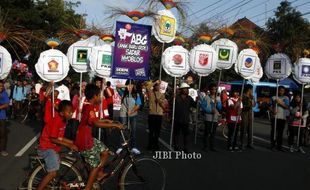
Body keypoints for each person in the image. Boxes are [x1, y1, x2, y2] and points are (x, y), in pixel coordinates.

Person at [74, 84, 123, 190]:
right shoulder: (90, 107)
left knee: (105, 151)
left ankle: (98, 174)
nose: (101, 98)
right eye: (100, 96)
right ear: (95, 96)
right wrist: (114, 125)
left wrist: (107, 121)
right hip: (85, 141)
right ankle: (88, 187)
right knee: (95, 166)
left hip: (88, 138)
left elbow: (94, 121)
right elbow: (96, 124)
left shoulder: (89, 106)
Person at [36, 100, 78, 190]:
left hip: (52, 148)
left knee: (58, 166)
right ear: (62, 113)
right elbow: (53, 138)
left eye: (72, 112)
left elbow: (60, 138)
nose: (71, 114)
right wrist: (69, 145)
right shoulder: (57, 121)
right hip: (46, 148)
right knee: (53, 172)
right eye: (69, 112)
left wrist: (73, 142)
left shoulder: (63, 121)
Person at [116, 79, 142, 155]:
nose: (130, 86)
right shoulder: (123, 93)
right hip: (123, 114)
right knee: (122, 130)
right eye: (129, 85)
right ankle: (120, 147)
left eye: (132, 85)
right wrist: (125, 86)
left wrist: (132, 111)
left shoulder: (136, 94)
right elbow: (117, 86)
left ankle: (133, 147)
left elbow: (138, 105)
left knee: (133, 131)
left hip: (133, 115)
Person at [173, 83, 196, 153]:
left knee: (186, 134)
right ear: (182, 90)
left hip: (185, 119)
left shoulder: (189, 98)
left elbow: (195, 105)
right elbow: (171, 105)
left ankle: (185, 147)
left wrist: (198, 101)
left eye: (187, 89)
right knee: (176, 134)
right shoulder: (176, 97)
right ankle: (176, 146)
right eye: (185, 89)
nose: (187, 90)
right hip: (177, 118)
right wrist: (173, 98)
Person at [199, 83, 222, 152]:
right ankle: (205, 146)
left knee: (213, 133)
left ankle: (212, 146)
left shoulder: (218, 98)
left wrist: (217, 103)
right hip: (208, 117)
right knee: (207, 132)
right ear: (210, 90)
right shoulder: (206, 97)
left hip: (215, 118)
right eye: (212, 89)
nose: (213, 90)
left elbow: (220, 108)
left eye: (215, 89)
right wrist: (209, 111)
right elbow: (203, 107)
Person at [269, 86, 289, 151]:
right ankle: (273, 145)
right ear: (277, 90)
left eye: (282, 90)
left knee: (280, 132)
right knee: (274, 131)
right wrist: (272, 111)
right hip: (274, 117)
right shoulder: (273, 97)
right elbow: (269, 106)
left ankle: (279, 146)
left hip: (282, 117)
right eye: (280, 90)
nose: (281, 92)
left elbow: (287, 107)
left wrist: (280, 103)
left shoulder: (286, 98)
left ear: (284, 91)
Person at [146, 80, 165, 152]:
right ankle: (150, 145)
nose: (158, 86)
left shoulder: (162, 94)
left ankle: (156, 145)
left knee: (157, 132)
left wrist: (159, 101)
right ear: (154, 86)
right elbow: (148, 87)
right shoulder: (151, 93)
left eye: (158, 85)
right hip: (152, 114)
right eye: (156, 85)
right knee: (151, 131)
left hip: (159, 114)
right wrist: (155, 81)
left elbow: (163, 105)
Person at [240, 85, 255, 150]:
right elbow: (243, 105)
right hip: (244, 113)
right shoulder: (243, 96)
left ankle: (250, 143)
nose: (252, 91)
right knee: (244, 128)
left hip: (250, 114)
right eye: (251, 89)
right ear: (248, 89)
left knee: (250, 129)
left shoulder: (252, 96)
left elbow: (254, 105)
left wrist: (252, 99)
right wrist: (249, 102)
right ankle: (242, 143)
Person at [0, 80, 10, 156]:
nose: (1, 87)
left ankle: (3, 150)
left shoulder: (4, 94)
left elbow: (7, 104)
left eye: (2, 86)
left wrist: (0, 107)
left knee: (3, 134)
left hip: (2, 117)